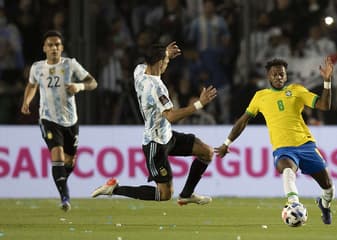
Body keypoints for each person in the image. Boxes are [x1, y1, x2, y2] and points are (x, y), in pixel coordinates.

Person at [91, 42, 217, 205]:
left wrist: (164, 53)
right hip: (155, 144)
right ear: (159, 62)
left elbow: (149, 60)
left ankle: (187, 194)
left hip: (167, 136)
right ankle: (114, 189)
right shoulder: (156, 88)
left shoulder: (139, 71)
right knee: (165, 194)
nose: (167, 65)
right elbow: (171, 116)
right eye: (166, 62)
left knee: (206, 152)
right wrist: (199, 104)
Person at [215, 57, 335, 224]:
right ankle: (294, 204)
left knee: (329, 187)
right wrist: (227, 143)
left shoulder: (297, 91)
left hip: (306, 145)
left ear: (286, 76)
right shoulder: (260, 97)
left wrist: (327, 81)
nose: (278, 77)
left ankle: (324, 204)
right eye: (275, 74)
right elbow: (243, 121)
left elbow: (324, 105)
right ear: (268, 76)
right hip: (283, 149)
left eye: (281, 74)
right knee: (287, 170)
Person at [20, 30, 98, 211]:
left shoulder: (71, 65)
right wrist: (26, 101)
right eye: (50, 45)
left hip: (70, 120)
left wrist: (79, 86)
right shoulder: (37, 68)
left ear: (62, 48)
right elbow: (32, 85)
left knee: (70, 162)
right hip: (48, 118)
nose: (54, 48)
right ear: (44, 48)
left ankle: (62, 182)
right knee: (57, 154)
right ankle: (65, 196)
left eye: (57, 45)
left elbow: (93, 83)